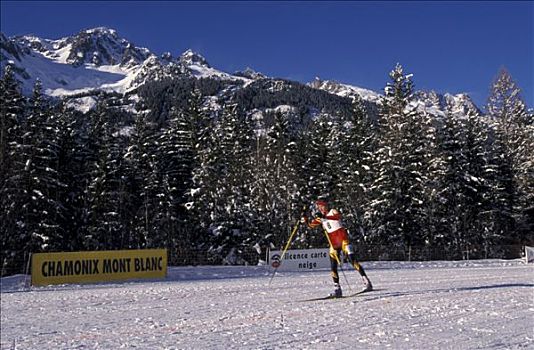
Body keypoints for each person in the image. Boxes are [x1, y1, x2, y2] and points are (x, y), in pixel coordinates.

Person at [301, 198, 372, 297]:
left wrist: (324, 216)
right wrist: (304, 216)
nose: (320, 208)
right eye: (319, 207)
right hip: (333, 243)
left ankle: (366, 281)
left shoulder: (332, 211)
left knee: (352, 260)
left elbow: (337, 217)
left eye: (322, 206)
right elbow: (310, 225)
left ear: (326, 206)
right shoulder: (320, 218)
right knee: (333, 266)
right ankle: (337, 288)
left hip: (343, 240)